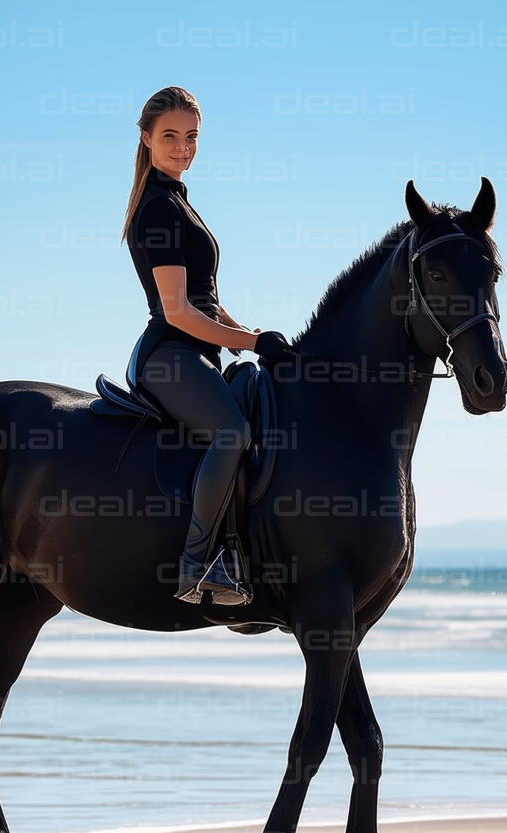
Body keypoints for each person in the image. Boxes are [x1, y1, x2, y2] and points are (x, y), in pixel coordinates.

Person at [122, 86, 293, 605]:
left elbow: (206, 301)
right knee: (233, 431)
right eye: (170, 135)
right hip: (169, 355)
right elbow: (177, 310)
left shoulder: (177, 201)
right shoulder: (158, 209)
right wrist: (252, 341)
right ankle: (198, 564)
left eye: (191, 136)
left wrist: (253, 336)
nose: (182, 147)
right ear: (147, 137)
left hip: (195, 350)